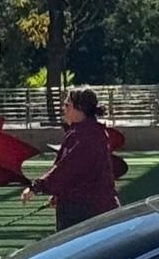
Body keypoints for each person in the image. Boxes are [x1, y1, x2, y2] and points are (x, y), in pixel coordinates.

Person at [21, 87, 119, 230]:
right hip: (91, 207)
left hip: (86, 212)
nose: (63, 108)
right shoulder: (88, 132)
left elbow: (66, 168)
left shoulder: (86, 136)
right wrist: (59, 194)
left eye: (67, 105)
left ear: (79, 109)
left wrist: (36, 187)